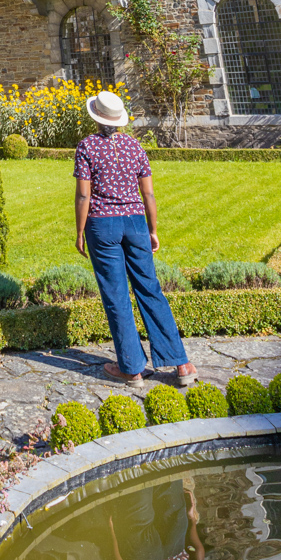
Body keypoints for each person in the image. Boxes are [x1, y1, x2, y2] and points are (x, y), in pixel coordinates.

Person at [74, 90, 195, 385]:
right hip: (136, 223)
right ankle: (181, 364)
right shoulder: (134, 145)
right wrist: (152, 230)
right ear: (119, 120)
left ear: (97, 118)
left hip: (102, 226)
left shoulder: (87, 146)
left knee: (116, 295)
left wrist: (79, 232)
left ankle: (132, 369)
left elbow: (83, 195)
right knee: (150, 289)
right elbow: (148, 193)